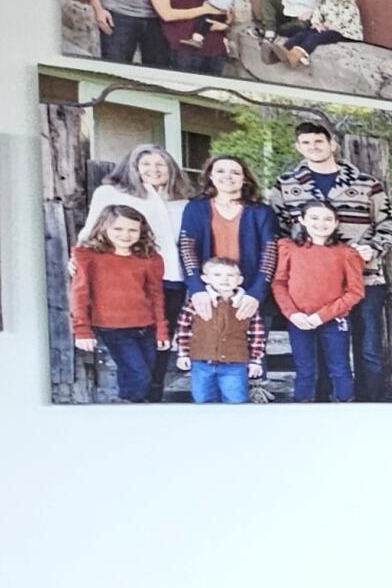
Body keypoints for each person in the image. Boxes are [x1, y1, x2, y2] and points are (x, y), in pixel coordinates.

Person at [270, 121, 392, 400]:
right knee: (321, 350)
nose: (313, 147)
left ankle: (368, 405)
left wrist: (373, 248)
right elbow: (277, 229)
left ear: (332, 144)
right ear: (298, 147)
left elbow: (389, 223)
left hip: (364, 278)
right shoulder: (287, 184)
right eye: (306, 143)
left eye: (319, 141)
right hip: (312, 284)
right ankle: (324, 404)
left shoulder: (366, 183)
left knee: (369, 350)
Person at [68, 205, 170, 403]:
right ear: (103, 228)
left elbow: (156, 296)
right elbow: (79, 294)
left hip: (145, 327)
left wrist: (161, 330)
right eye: (118, 229)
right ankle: (130, 415)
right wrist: (82, 330)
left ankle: (127, 408)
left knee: (143, 375)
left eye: (132, 230)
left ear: (141, 231)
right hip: (113, 328)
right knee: (139, 375)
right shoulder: (87, 256)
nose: (126, 235)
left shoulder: (150, 258)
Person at [272, 199, 365, 402]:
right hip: (299, 319)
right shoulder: (289, 248)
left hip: (333, 320)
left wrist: (322, 316)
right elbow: (279, 283)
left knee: (339, 368)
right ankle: (303, 409)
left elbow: (355, 292)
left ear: (336, 222)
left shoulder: (346, 253)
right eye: (314, 218)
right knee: (305, 369)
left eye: (327, 219)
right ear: (302, 220)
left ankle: (344, 406)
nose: (321, 223)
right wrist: (292, 314)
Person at [79, 145, 189, 309]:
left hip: (173, 276)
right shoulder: (111, 193)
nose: (154, 169)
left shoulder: (183, 202)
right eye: (146, 164)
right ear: (133, 167)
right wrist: (79, 258)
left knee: (167, 331)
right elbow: (91, 231)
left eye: (160, 164)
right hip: (130, 274)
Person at [179, 152, 276, 303]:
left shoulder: (261, 212)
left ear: (244, 179)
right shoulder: (195, 208)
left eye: (235, 172)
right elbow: (187, 248)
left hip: (250, 293)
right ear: (210, 176)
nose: (228, 176)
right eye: (220, 171)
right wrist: (197, 289)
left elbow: (270, 253)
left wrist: (256, 292)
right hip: (208, 292)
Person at [173, 256, 268, 403]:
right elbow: (183, 329)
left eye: (230, 275)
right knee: (203, 400)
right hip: (201, 363)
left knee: (236, 401)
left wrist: (255, 361)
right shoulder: (196, 302)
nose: (225, 279)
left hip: (235, 365)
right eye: (217, 275)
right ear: (205, 278)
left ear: (240, 280)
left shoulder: (246, 304)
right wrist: (183, 354)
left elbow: (257, 335)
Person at [266, 0, 322, 67]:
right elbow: (282, 6)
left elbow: (319, 9)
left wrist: (311, 13)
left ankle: (275, 33)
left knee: (303, 25)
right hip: (286, 16)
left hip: (300, 21)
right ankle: (270, 30)